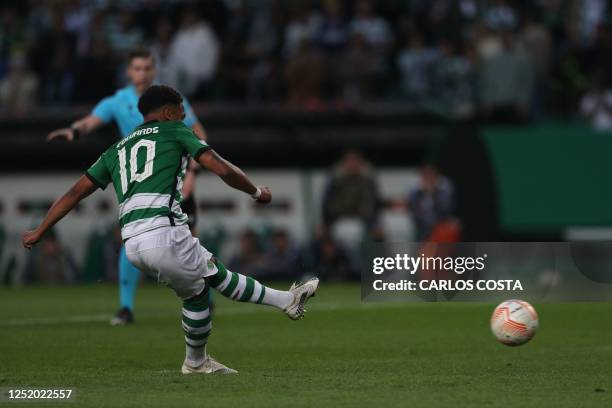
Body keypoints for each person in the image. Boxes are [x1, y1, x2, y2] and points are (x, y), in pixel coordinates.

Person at [22, 85, 319, 375]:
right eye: (180, 112)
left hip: (133, 244)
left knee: (207, 280)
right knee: (206, 284)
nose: (184, 118)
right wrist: (256, 192)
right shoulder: (175, 130)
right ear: (167, 112)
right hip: (164, 231)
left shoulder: (117, 148)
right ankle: (201, 359)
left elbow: (75, 193)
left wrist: (40, 230)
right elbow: (221, 167)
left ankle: (283, 303)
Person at [47, 49, 207, 326]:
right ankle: (126, 306)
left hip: (174, 179)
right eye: (137, 68)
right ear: (128, 72)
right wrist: (72, 130)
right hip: (139, 182)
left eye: (147, 68)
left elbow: (198, 132)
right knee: (130, 237)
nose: (142, 73)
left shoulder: (170, 100)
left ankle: (207, 297)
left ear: (154, 71)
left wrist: (193, 172)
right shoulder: (117, 102)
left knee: (190, 238)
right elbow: (90, 121)